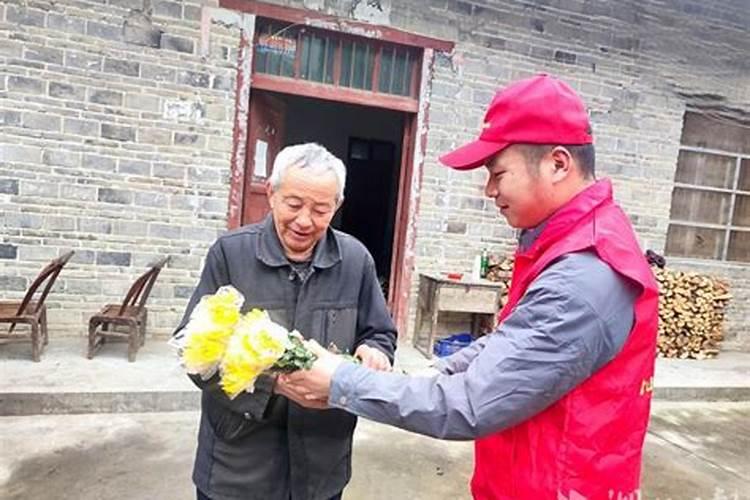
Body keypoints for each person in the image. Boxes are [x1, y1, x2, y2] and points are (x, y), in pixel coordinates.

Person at [279, 74, 659, 499]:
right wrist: (430, 373)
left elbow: (470, 404)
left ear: (557, 163)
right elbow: (512, 344)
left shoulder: (584, 276)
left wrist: (341, 382)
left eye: (498, 173)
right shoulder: (569, 243)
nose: (490, 190)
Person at [174, 143, 397, 500]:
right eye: (294, 205)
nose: (305, 221)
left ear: (336, 206)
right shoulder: (230, 254)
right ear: (271, 195)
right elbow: (193, 355)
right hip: (237, 466)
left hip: (321, 466)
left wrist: (375, 351)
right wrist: (273, 386)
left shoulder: (356, 261)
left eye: (321, 209)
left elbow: (380, 332)